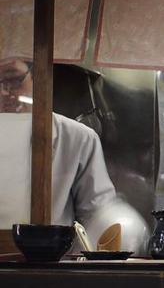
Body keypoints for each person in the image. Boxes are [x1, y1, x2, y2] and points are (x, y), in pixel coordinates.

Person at [0, 58, 115, 230]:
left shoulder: (77, 137)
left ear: (37, 76)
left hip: (50, 255)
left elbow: (98, 215)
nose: (3, 92)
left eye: (13, 80)